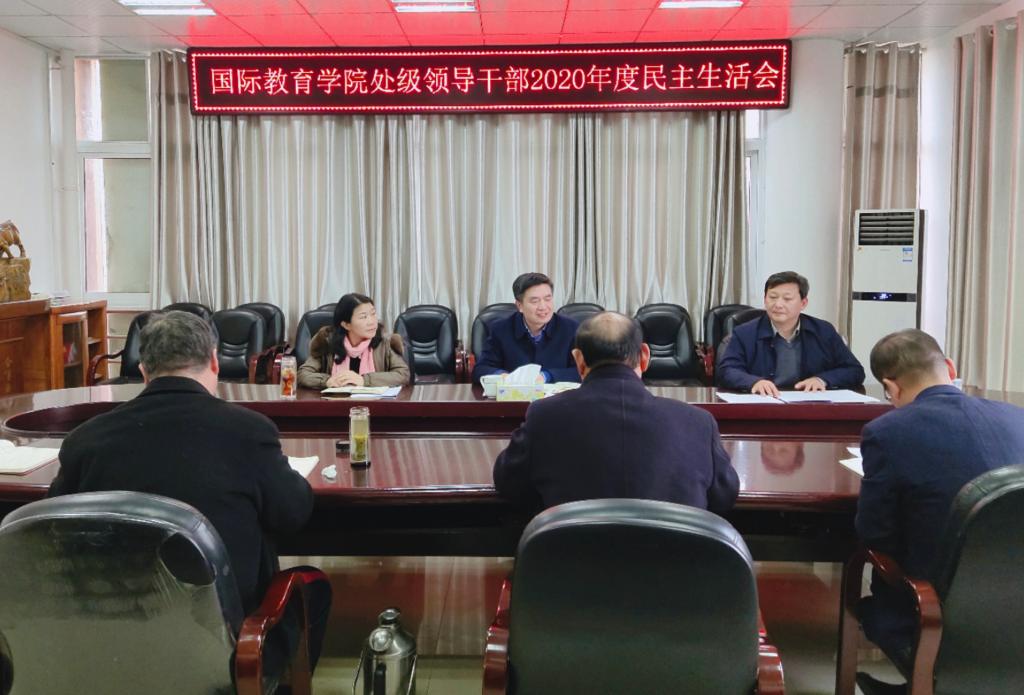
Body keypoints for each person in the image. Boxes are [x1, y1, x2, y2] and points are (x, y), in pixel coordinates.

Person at [48, 310, 331, 682]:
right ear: (214, 361)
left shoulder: (85, 441)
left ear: (144, 371)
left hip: (109, 642)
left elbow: (54, 531)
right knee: (313, 587)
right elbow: (292, 514)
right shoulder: (248, 432)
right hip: (225, 648)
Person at [855, 329, 1024, 680]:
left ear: (890, 388)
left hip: (934, 611)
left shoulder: (886, 432)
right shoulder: (1017, 418)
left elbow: (874, 534)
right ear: (950, 367)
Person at [493, 311, 739, 512]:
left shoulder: (544, 416)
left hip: (570, 556)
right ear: (644, 357)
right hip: (673, 557)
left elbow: (510, 485)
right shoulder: (698, 422)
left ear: (579, 361)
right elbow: (723, 497)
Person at [717, 271, 865, 395]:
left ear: (803, 303)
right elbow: (727, 371)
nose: (778, 304)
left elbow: (854, 370)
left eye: (787, 299)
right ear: (765, 300)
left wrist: (822, 380)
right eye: (772, 297)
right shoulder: (744, 333)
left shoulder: (823, 331)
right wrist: (754, 382)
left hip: (809, 406)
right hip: (763, 404)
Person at [472, 272, 581, 384]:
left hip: (557, 395)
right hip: (513, 394)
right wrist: (502, 376)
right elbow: (481, 369)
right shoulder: (500, 329)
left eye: (548, 299)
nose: (543, 307)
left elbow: (582, 371)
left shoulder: (571, 328)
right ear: (520, 305)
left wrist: (546, 376)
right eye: (535, 301)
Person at [298, 292, 410, 389]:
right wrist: (327, 381)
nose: (372, 321)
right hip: (335, 403)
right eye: (363, 317)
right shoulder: (328, 342)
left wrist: (364, 380)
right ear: (346, 324)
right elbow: (303, 374)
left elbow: (403, 375)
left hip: (375, 404)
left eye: (373, 314)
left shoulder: (384, 342)